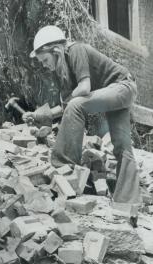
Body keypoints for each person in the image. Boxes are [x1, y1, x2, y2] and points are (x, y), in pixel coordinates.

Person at [23, 25, 141, 209]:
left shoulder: (74, 49)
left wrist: (68, 102)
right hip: (114, 93)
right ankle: (127, 203)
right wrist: (38, 115)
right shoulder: (63, 70)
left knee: (76, 104)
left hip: (123, 86)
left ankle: (63, 164)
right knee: (122, 146)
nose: (45, 65)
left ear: (56, 50)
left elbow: (84, 89)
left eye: (45, 60)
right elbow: (65, 108)